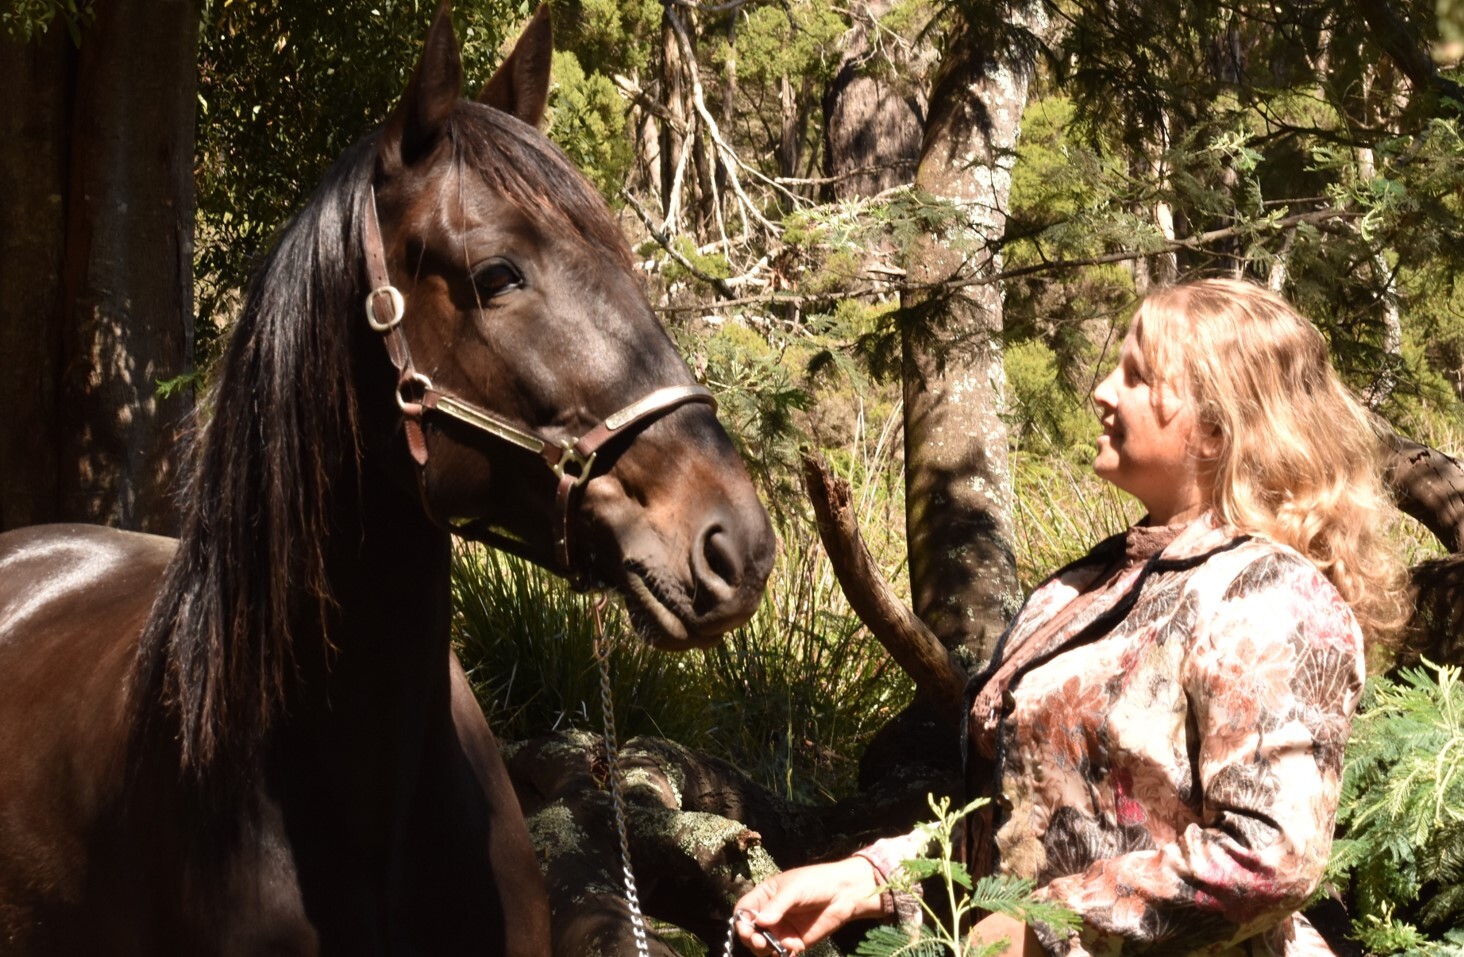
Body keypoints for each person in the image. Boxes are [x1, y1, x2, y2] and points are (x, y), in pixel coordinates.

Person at [733, 278, 1407, 956]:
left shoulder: (1268, 595)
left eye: (1139, 377)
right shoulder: (1088, 585)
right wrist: (862, 879)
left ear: (1215, 426)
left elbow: (1268, 858)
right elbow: (1026, 824)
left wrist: (1048, 923)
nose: (1103, 391)